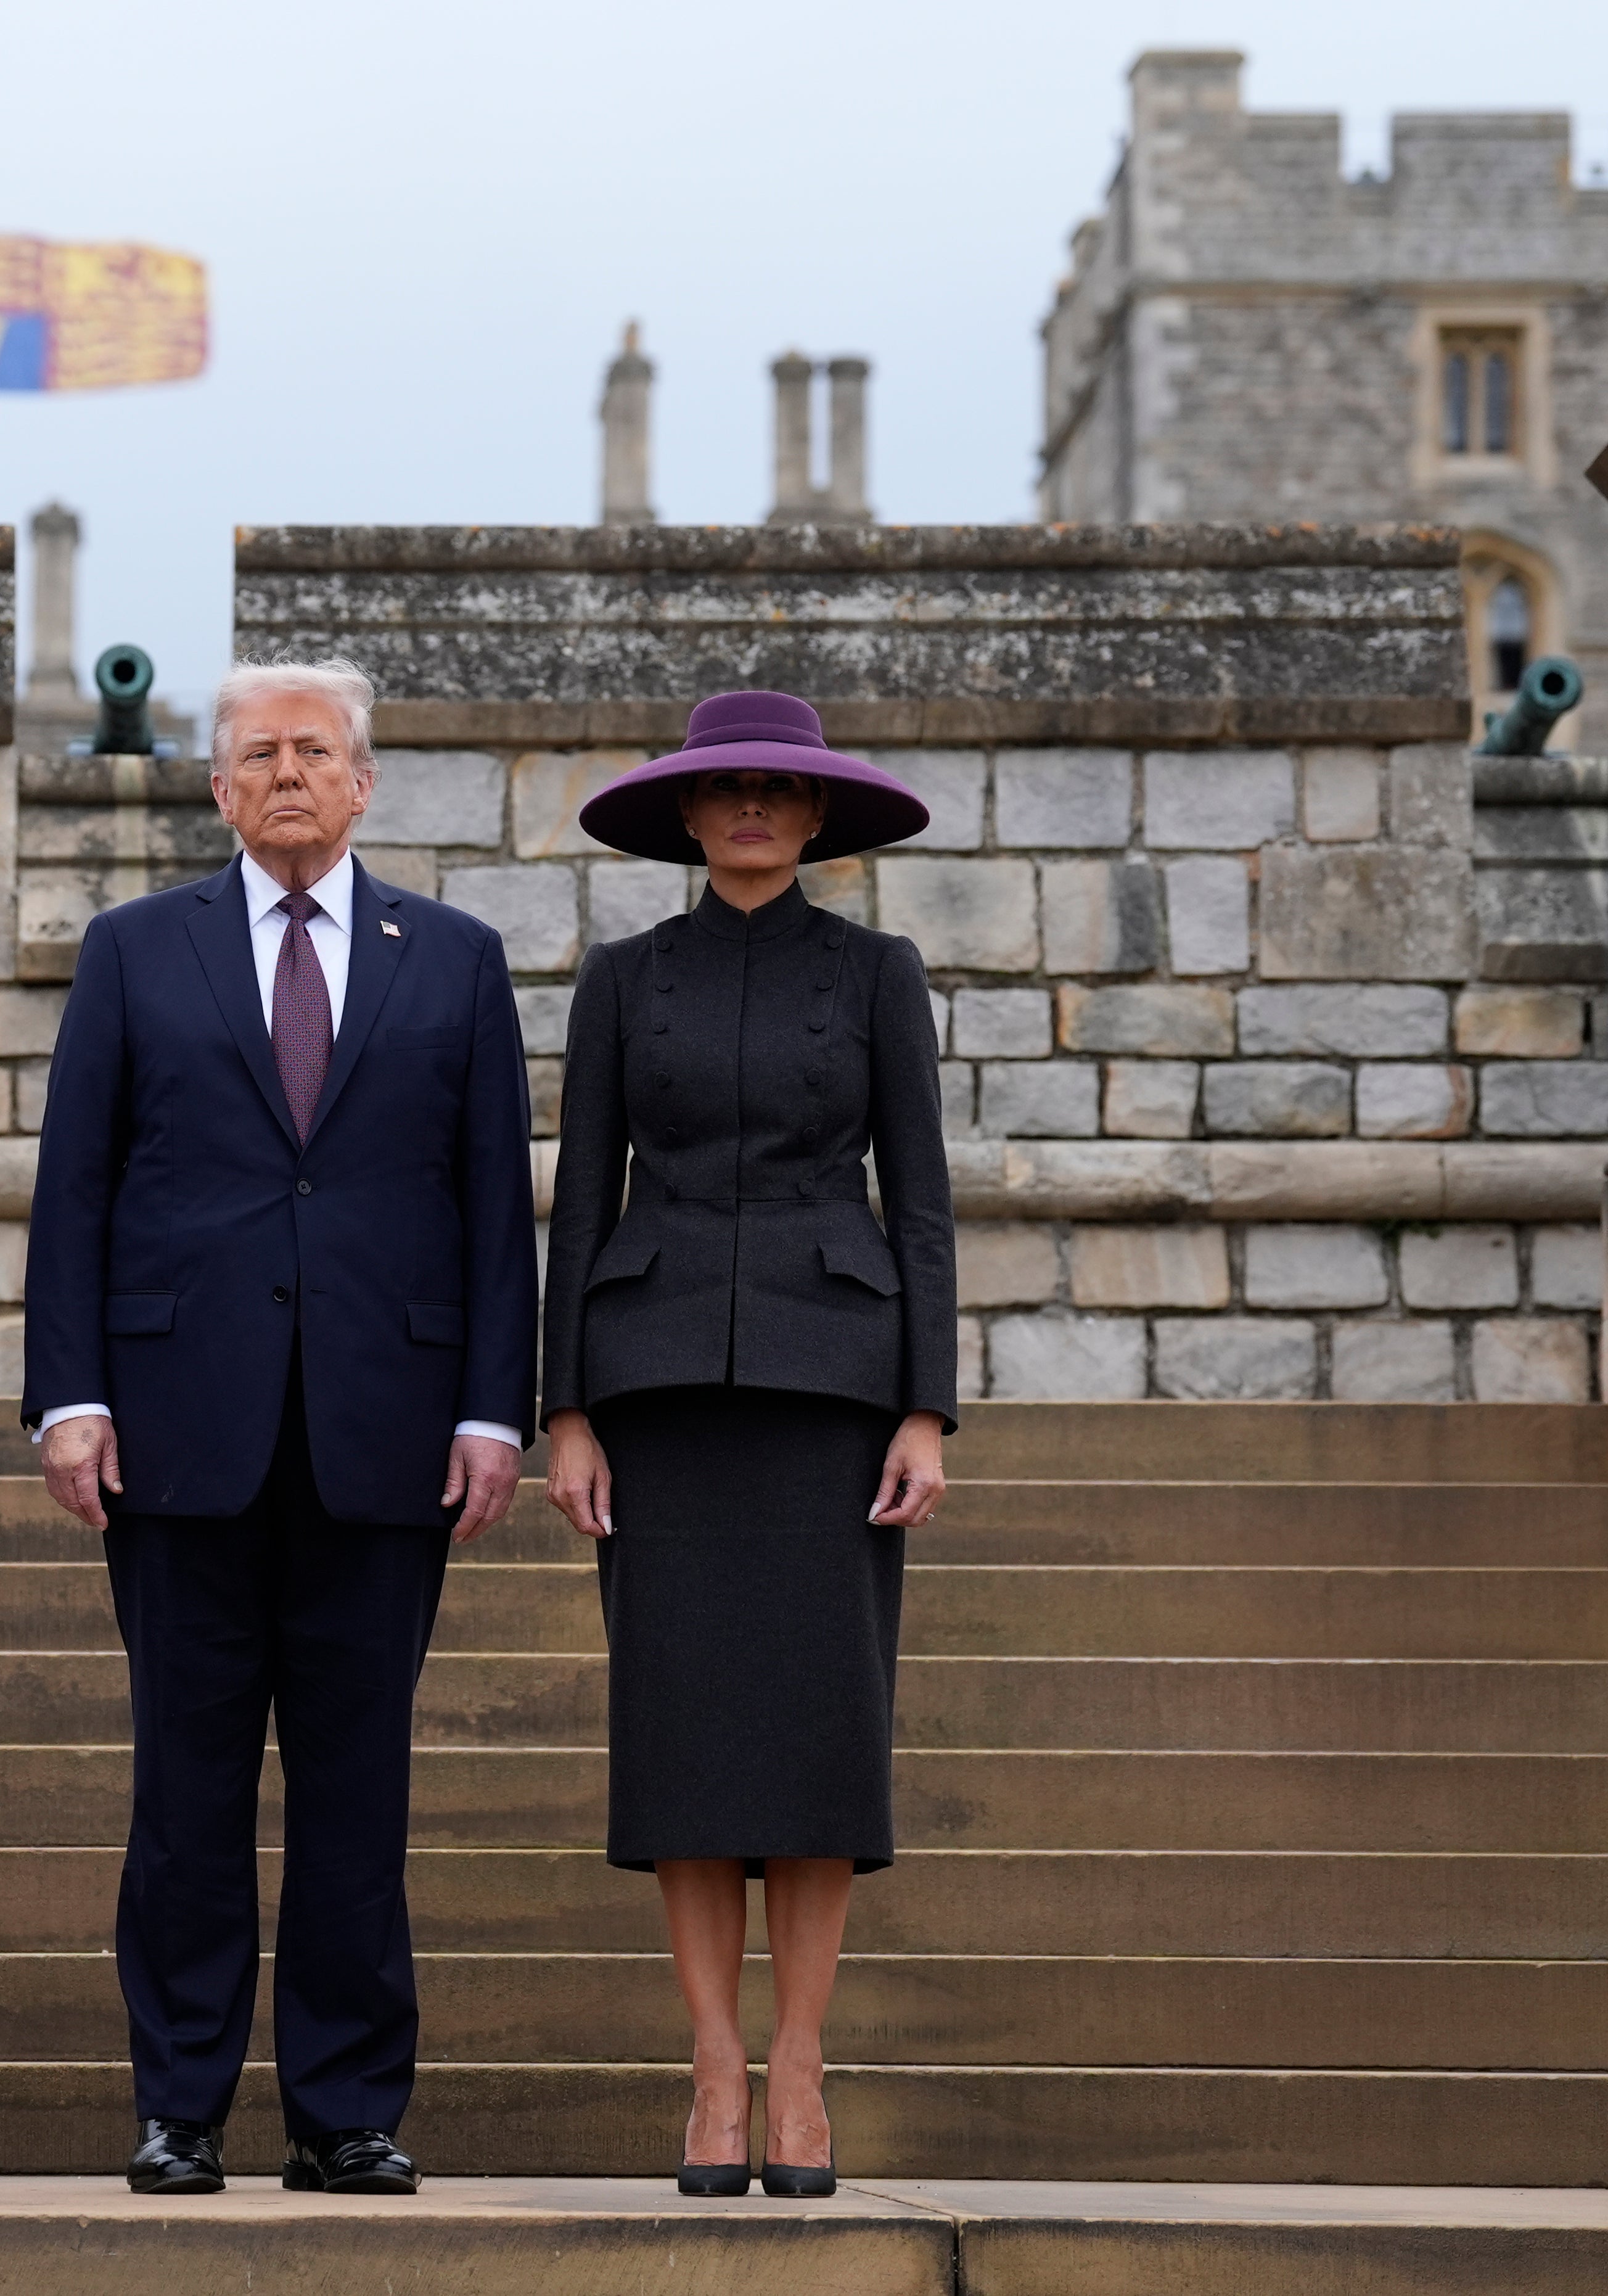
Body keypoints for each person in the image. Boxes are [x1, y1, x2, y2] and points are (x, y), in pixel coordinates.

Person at [23, 657, 536, 2197]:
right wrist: (71, 1393)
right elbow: (77, 1184)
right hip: (180, 1433)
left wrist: (492, 1407)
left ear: (363, 781)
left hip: (385, 1433)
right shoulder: (134, 948)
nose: (288, 774)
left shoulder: (455, 959)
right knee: (183, 1794)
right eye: (258, 753)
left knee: (357, 1794)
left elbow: (491, 1202)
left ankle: (345, 2109)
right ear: (217, 787)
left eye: (315, 750)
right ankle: (179, 2104)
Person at [538, 689, 956, 2199]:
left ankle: (799, 2067)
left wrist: (925, 1406)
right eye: (727, 789)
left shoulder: (876, 973)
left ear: (820, 813)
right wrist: (565, 1410)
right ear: (688, 813)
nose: (755, 809)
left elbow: (920, 1198)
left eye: (782, 789)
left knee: (818, 1739)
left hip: (831, 1390)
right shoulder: (623, 977)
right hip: (654, 1391)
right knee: (687, 1741)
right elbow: (580, 1197)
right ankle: (713, 2067)